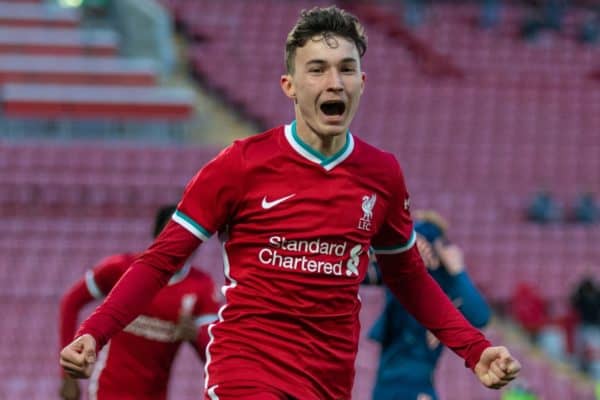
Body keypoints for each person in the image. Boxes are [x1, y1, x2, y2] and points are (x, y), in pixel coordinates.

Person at [60, 6, 521, 400]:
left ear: (363, 81)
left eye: (345, 68)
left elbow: (407, 277)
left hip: (328, 379)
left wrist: (474, 349)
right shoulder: (240, 165)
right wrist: (95, 332)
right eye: (317, 68)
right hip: (245, 370)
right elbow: (160, 261)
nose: (333, 81)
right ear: (290, 85)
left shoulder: (382, 175)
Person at [58, 205, 220, 400]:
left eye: (190, 236)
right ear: (159, 235)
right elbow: (71, 302)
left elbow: (216, 356)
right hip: (107, 391)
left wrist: (196, 335)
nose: (183, 242)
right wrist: (67, 376)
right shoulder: (122, 269)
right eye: (176, 233)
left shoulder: (201, 287)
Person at [364, 210, 492, 400]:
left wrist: (458, 271)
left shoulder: (447, 286)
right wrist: (374, 251)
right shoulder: (398, 275)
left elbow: (481, 317)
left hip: (417, 383)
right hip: (385, 384)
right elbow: (356, 273)